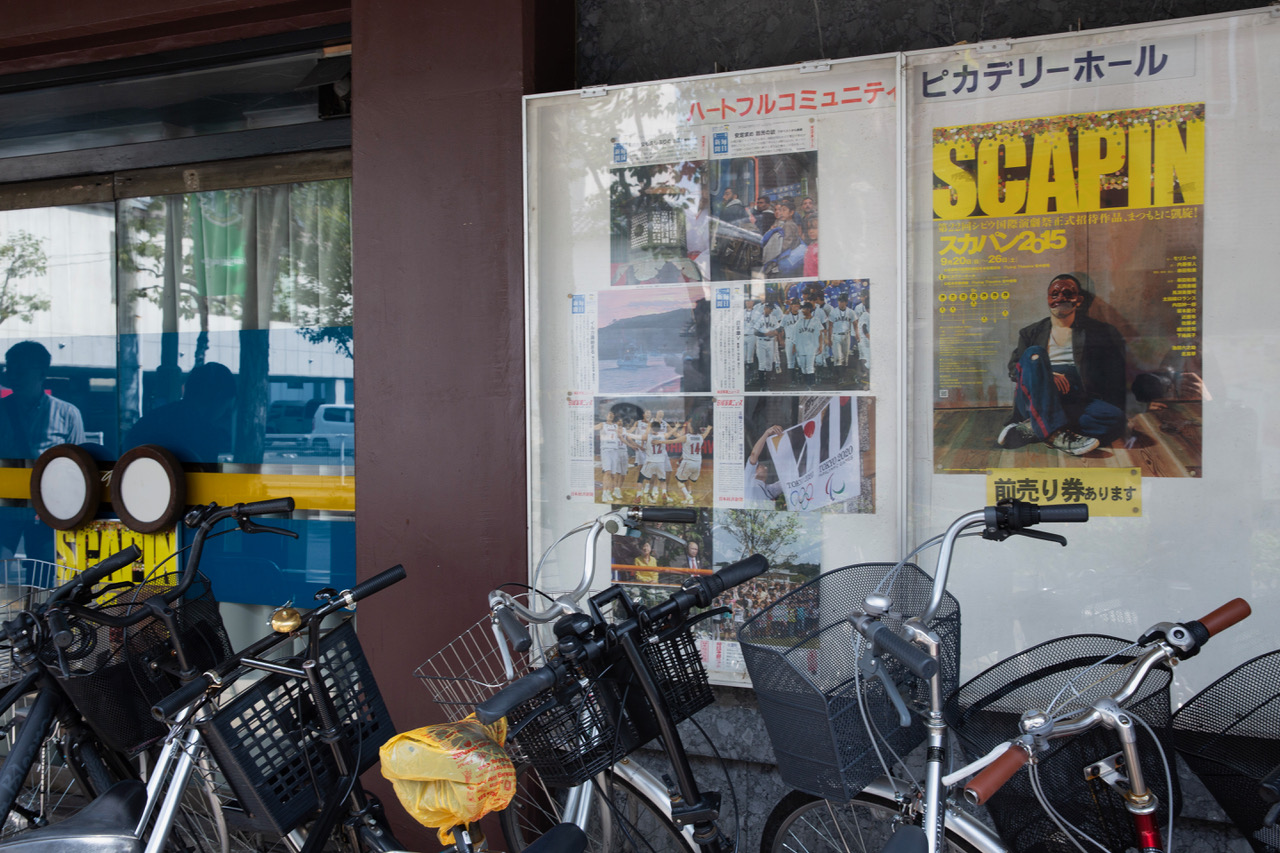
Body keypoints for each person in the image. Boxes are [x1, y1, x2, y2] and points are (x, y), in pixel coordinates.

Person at [996, 274, 1127, 456]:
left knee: (1117, 419)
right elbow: (1015, 369)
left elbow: (1112, 374)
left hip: (1075, 396)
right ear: (1048, 298)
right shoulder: (1030, 332)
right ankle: (1056, 434)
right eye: (1055, 294)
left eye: (1067, 293)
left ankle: (1036, 427)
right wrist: (1046, 375)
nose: (1060, 298)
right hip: (1035, 395)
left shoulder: (1097, 332)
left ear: (1078, 300)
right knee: (1034, 353)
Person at [123, 362, 236, 465]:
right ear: (216, 401)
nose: (224, 414)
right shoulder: (204, 433)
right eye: (226, 408)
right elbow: (207, 476)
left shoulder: (151, 420)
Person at [0, 341, 85, 459]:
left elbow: (78, 461)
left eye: (20, 371)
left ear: (42, 374)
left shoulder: (68, 414)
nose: (13, 377)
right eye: (9, 370)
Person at [745, 425, 784, 509]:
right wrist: (767, 433)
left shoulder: (769, 489)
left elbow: (787, 482)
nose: (765, 468)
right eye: (760, 466)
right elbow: (754, 454)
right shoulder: (748, 481)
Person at [673, 422, 711, 505]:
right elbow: (706, 432)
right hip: (696, 462)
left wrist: (674, 429)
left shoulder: (687, 437)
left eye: (689, 426)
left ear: (692, 428)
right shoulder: (700, 436)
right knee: (688, 479)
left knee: (680, 480)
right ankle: (689, 496)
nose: (688, 427)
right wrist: (709, 428)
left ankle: (688, 496)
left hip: (688, 461)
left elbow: (675, 436)